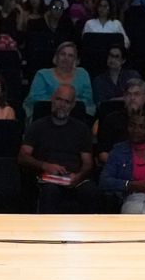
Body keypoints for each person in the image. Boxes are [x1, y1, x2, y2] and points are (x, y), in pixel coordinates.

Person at [19, 85, 100, 213]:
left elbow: (88, 162)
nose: (61, 105)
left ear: (73, 105)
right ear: (52, 100)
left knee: (90, 191)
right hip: (47, 177)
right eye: (59, 99)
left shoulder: (82, 129)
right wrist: (45, 165)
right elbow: (23, 156)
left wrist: (78, 177)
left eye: (66, 102)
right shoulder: (37, 126)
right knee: (50, 191)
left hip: (75, 177)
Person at [94, 77, 145, 165]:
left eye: (136, 94)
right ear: (124, 97)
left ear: (144, 98)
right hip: (118, 166)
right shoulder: (111, 119)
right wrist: (123, 164)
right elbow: (102, 153)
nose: (132, 98)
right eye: (129, 94)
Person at [27, 41, 95, 113]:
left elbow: (87, 100)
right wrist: (67, 102)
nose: (66, 58)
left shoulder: (83, 73)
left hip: (77, 114)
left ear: (76, 60)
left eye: (70, 55)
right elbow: (36, 100)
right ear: (56, 56)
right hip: (46, 114)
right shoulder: (42, 74)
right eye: (63, 54)